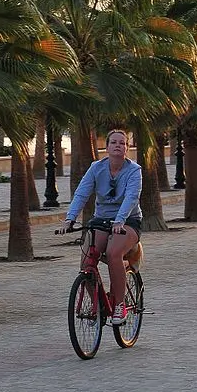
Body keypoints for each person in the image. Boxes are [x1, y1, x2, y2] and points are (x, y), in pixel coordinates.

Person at [58, 129, 143, 324]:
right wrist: (70, 219)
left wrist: (120, 220)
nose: (117, 145)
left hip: (128, 221)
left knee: (113, 253)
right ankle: (98, 302)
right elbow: (81, 194)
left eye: (122, 143)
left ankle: (119, 305)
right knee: (86, 262)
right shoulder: (96, 168)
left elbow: (131, 198)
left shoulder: (134, 170)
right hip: (101, 220)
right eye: (113, 142)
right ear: (107, 146)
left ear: (127, 148)